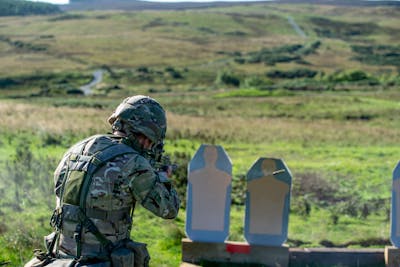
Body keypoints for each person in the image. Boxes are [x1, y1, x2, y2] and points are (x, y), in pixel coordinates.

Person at [25, 95, 180, 267]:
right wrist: (163, 177)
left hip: (60, 256)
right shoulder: (134, 163)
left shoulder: (77, 149)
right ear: (147, 135)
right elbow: (169, 210)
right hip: (101, 261)